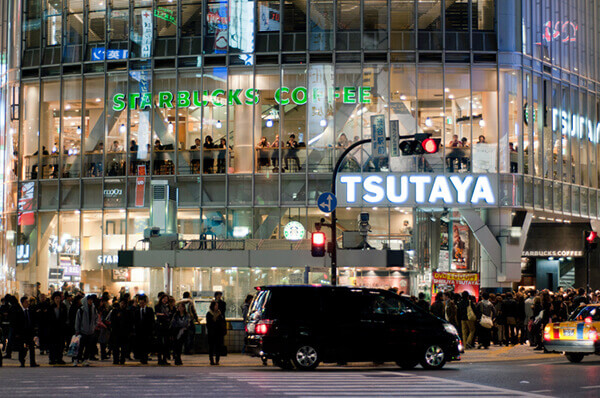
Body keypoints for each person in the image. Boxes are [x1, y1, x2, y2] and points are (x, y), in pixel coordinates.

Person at [74, 294, 98, 366]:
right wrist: (77, 330)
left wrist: (94, 326)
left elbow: (96, 318)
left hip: (90, 331)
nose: (91, 301)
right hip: (82, 331)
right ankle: (77, 359)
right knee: (80, 347)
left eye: (91, 300)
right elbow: (77, 320)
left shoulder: (94, 309)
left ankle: (85, 359)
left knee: (88, 347)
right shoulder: (81, 309)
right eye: (89, 300)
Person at [16, 296, 38, 367]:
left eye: (28, 302)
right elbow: (16, 323)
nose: (27, 303)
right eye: (26, 302)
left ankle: (33, 362)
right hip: (22, 333)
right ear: (22, 303)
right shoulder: (19, 311)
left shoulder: (31, 311)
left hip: (30, 332)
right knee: (21, 348)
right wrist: (17, 333)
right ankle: (22, 362)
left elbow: (33, 321)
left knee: (32, 347)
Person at [109, 298, 133, 365]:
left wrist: (130, 331)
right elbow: (112, 321)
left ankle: (122, 359)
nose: (122, 305)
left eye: (124, 303)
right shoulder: (115, 311)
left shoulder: (128, 312)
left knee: (123, 347)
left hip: (124, 332)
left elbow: (130, 322)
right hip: (116, 332)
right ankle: (116, 359)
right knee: (115, 347)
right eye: (121, 303)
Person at [47, 291, 68, 365]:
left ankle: (59, 358)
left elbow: (65, 317)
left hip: (61, 329)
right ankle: (52, 359)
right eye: (56, 298)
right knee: (52, 345)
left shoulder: (63, 307)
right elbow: (48, 318)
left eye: (59, 298)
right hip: (52, 330)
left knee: (60, 345)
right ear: (53, 299)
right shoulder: (50, 307)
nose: (57, 300)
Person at [133, 294, 154, 364]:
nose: (141, 304)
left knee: (146, 345)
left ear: (145, 303)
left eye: (142, 303)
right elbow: (135, 321)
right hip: (139, 331)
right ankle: (142, 358)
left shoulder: (149, 310)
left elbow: (152, 321)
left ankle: (145, 358)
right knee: (140, 345)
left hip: (147, 331)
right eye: (140, 303)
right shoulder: (137, 311)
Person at [206, 300, 226, 366]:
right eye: (216, 305)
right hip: (211, 333)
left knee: (218, 347)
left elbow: (222, 322)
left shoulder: (220, 313)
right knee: (211, 347)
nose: (217, 307)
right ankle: (211, 360)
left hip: (218, 333)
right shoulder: (209, 314)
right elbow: (208, 324)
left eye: (217, 305)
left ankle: (217, 360)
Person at [155, 293, 173, 365]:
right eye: (164, 299)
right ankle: (159, 359)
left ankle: (165, 358)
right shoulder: (158, 306)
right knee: (160, 343)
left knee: (166, 343)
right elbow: (158, 315)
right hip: (160, 326)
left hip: (167, 327)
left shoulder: (169, 306)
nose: (165, 300)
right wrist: (164, 315)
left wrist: (163, 315)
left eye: (166, 299)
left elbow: (170, 315)